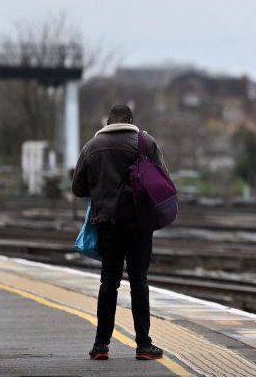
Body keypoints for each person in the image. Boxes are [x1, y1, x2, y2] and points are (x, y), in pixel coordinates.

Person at [72, 104, 168, 361]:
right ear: (131, 120)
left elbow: (78, 187)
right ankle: (143, 345)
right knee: (139, 282)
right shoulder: (145, 142)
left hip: (107, 224)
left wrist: (102, 188)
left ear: (107, 122)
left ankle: (101, 345)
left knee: (109, 283)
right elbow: (162, 181)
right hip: (139, 224)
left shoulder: (91, 147)